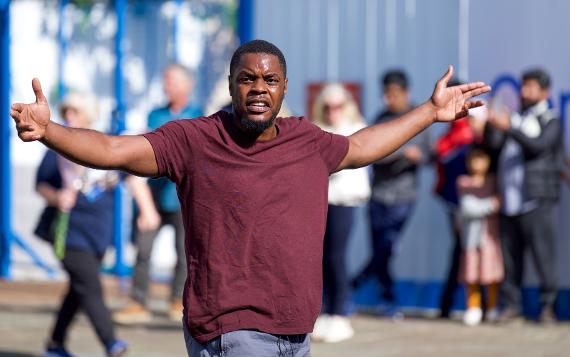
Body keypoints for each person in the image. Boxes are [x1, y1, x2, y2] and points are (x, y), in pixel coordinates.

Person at [12, 40, 490, 356]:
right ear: (231, 85)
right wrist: (50, 130)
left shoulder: (307, 141)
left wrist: (429, 112)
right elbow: (114, 150)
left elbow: (364, 146)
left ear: (283, 87)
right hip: (231, 332)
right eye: (247, 79)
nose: (258, 89)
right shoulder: (194, 140)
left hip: (296, 334)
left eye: (269, 80)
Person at [36, 93, 160, 357]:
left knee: (78, 290)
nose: (70, 117)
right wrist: (57, 196)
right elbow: (41, 184)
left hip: (98, 234)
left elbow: (131, 176)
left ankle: (55, 345)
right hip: (69, 234)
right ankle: (111, 343)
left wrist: (147, 209)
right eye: (66, 112)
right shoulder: (58, 147)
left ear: (89, 115)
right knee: (90, 286)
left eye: (76, 112)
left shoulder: (103, 145)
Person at [113, 64, 202, 324]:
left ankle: (178, 301)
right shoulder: (155, 115)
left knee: (185, 253)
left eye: (172, 81)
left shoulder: (198, 116)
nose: (167, 86)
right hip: (152, 196)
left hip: (183, 199)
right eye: (165, 81)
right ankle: (138, 301)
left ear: (187, 86)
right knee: (143, 249)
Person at [485, 68, 563, 323]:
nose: (524, 91)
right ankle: (512, 305)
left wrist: (510, 129)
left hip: (537, 200)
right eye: (522, 86)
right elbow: (493, 147)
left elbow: (538, 147)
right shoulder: (514, 118)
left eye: (530, 87)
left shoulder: (551, 120)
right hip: (509, 201)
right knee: (510, 258)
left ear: (544, 92)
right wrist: (492, 124)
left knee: (543, 256)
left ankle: (548, 307)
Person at [352, 70, 429, 317]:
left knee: (386, 248)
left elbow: (430, 154)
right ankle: (388, 299)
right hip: (379, 195)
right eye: (386, 94)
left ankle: (353, 284)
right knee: (380, 251)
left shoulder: (419, 118)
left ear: (406, 92)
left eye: (394, 94)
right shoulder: (381, 118)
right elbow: (372, 154)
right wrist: (399, 154)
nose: (389, 99)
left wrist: (419, 156)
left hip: (404, 196)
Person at [310, 84, 370, 343]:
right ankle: (324, 312)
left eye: (338, 106)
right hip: (320, 202)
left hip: (344, 202)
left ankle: (341, 313)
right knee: (320, 258)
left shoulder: (355, 128)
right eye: (327, 106)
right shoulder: (317, 129)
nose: (332, 111)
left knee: (336, 257)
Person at [433, 79, 476, 318]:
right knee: (461, 250)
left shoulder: (473, 130)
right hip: (456, 204)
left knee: (475, 251)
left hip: (479, 201)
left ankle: (477, 304)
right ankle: (450, 304)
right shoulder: (448, 133)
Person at [456, 147, 503, 326]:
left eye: (481, 159)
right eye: (474, 160)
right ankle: (473, 307)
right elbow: (468, 208)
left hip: (490, 239)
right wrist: (492, 205)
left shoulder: (493, 181)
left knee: (491, 274)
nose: (478, 164)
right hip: (471, 240)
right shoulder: (463, 182)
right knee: (472, 274)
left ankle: (492, 307)